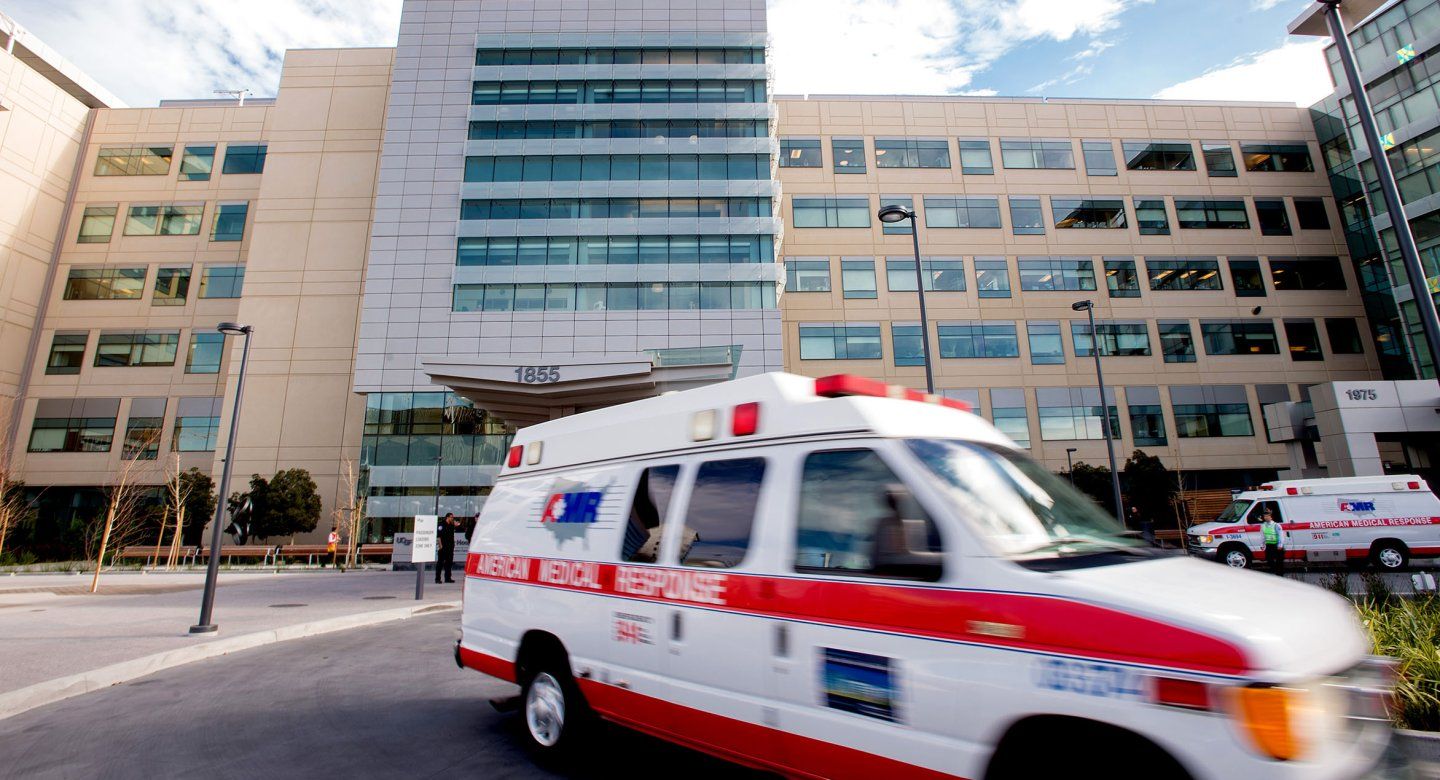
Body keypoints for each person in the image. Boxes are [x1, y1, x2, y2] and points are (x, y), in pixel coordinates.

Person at [1260, 508, 1286, 575]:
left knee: (1279, 562)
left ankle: (1280, 575)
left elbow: (1281, 535)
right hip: (1269, 545)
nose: (1266, 517)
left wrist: (1280, 545)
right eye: (1265, 516)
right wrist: (1262, 545)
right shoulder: (1263, 526)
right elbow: (1262, 536)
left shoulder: (1276, 525)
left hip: (1276, 545)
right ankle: (1276, 571)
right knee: (1269, 560)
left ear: (1271, 517)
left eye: (1267, 516)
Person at [436, 512, 457, 584]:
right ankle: (437, 579)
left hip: (450, 547)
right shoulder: (441, 524)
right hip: (443, 546)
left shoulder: (451, 525)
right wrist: (440, 546)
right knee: (440, 563)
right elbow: (438, 536)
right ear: (447, 517)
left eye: (452, 517)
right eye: (451, 517)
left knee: (449, 563)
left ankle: (448, 578)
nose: (452, 518)